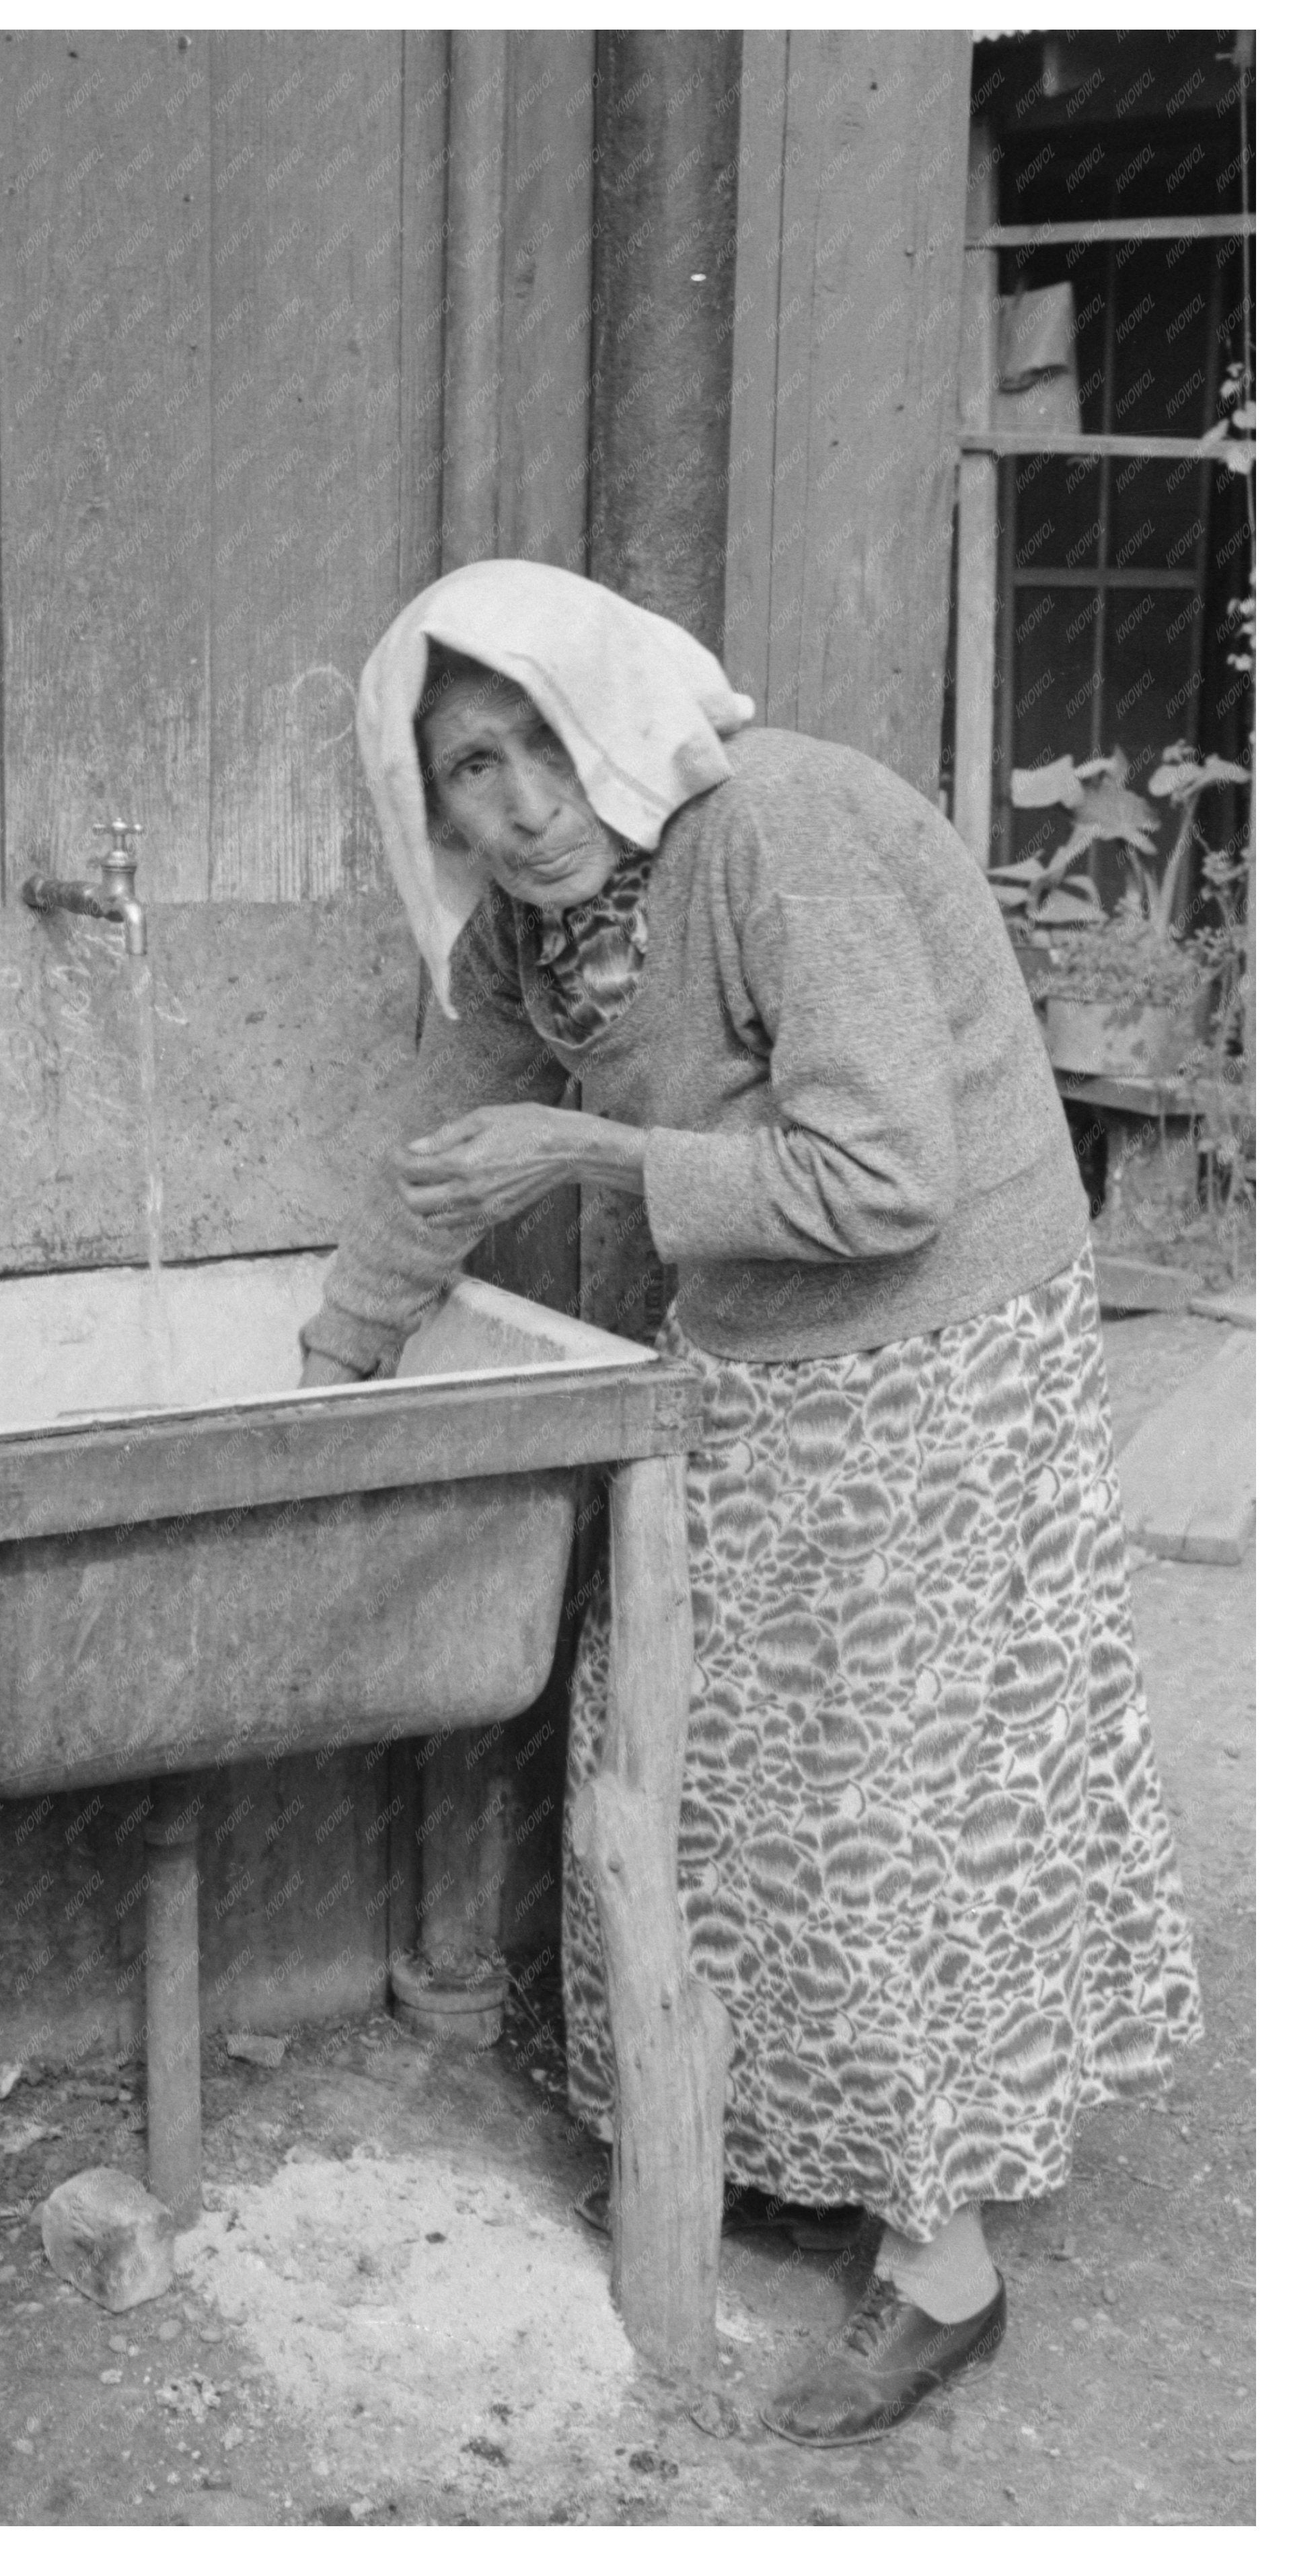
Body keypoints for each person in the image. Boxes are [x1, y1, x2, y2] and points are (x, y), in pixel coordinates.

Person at [299, 558, 1202, 2446]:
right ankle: (814, 2134)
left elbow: (881, 1177)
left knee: (886, 1791)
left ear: (611, 715)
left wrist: (598, 1152)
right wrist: (330, 1358)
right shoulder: (565, 927)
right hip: (766, 1337)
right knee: (711, 1755)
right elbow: (475, 1163)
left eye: (536, 742)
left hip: (936, 1338)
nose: (512, 803)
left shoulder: (771, 828)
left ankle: (941, 2257)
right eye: (463, 768)